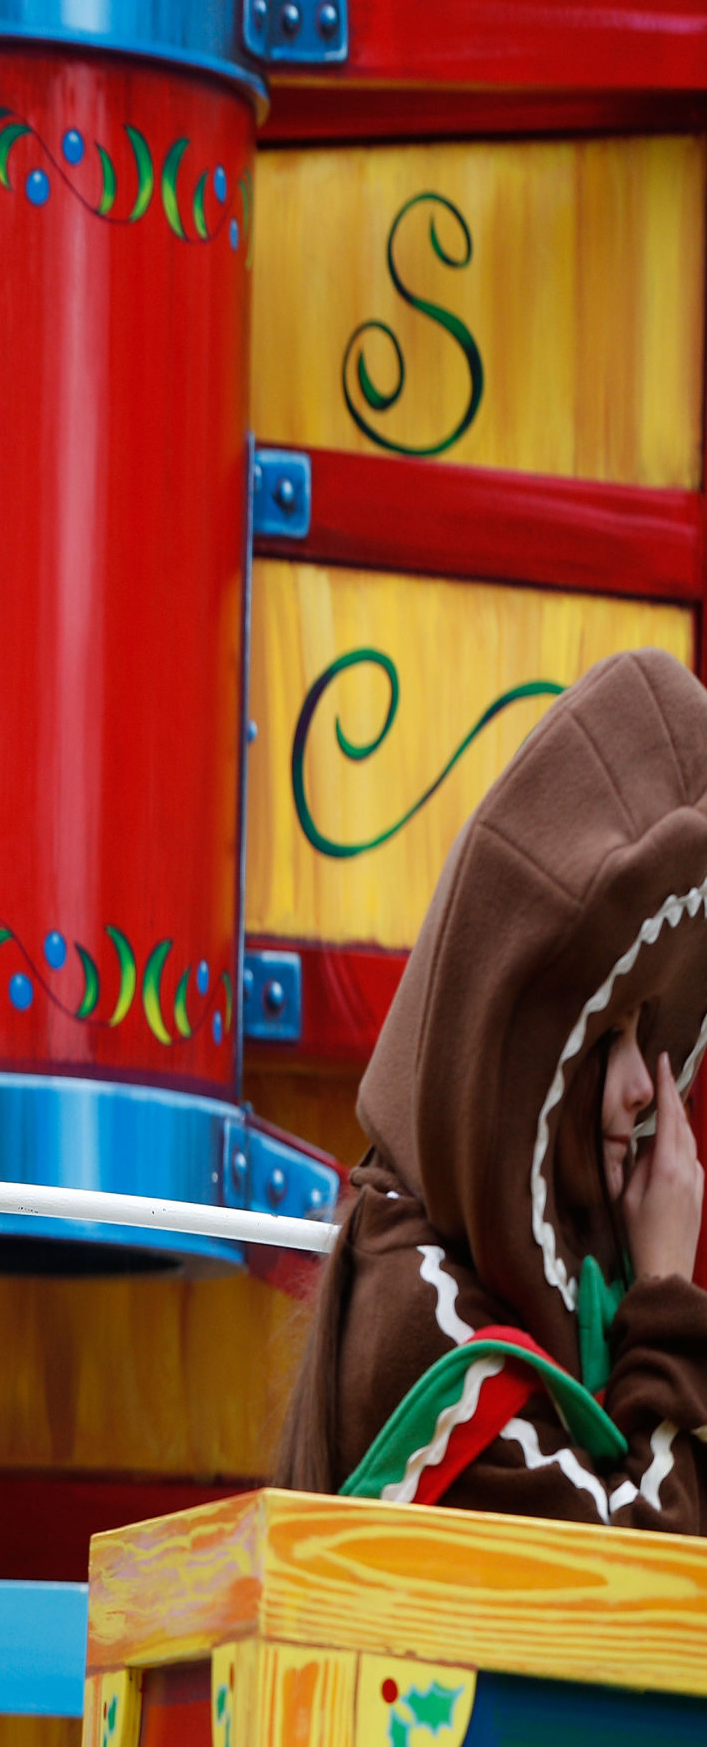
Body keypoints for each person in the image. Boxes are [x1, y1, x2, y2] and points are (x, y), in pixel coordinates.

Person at [275, 647, 707, 1527]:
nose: (642, 1089)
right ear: (521, 1063)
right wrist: (664, 1293)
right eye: (604, 1036)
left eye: (643, 1035)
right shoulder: (431, 1330)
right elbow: (648, 1602)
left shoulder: (476, 1280)